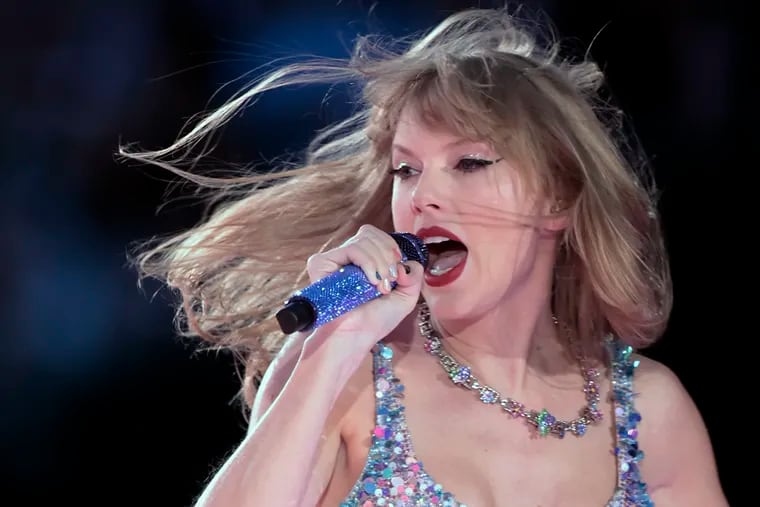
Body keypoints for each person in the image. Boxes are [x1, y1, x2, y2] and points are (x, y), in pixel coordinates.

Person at [121, 6, 728, 506]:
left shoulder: (648, 412)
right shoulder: (346, 378)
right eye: (405, 170)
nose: (422, 196)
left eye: (469, 162)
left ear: (558, 200)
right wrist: (331, 347)